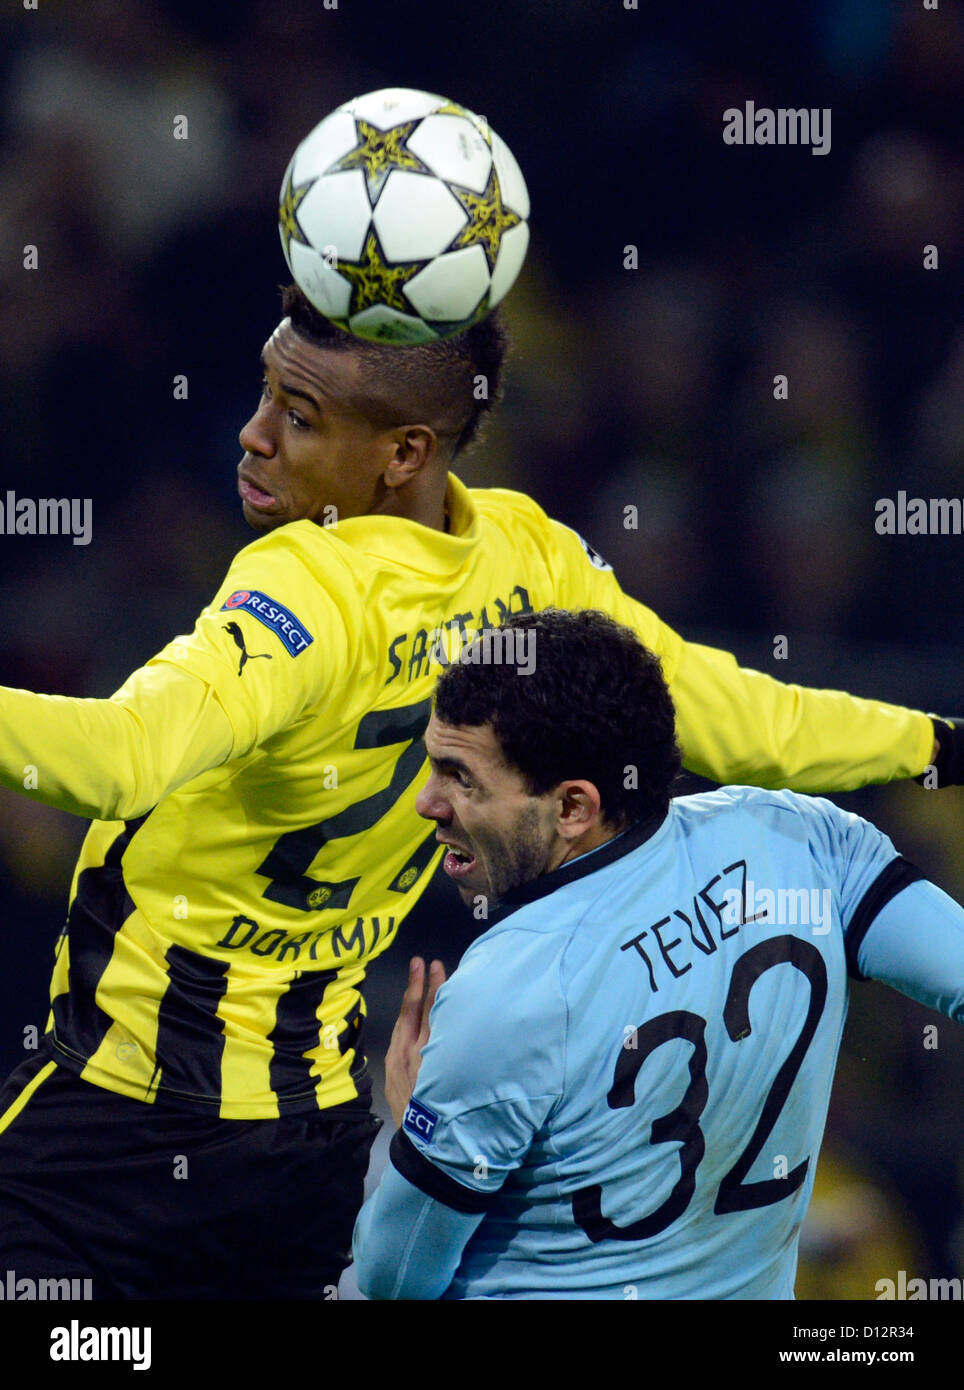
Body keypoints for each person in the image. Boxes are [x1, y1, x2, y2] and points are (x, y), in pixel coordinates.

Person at [0, 286, 959, 1298]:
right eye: (266, 396)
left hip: (118, 1128)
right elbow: (730, 713)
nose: (252, 437)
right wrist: (936, 743)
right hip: (315, 1140)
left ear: (405, 451)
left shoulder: (306, 586)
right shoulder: (526, 560)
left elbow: (121, 756)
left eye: (297, 414)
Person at [352, 609, 964, 1300]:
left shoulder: (508, 991)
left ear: (573, 808)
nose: (427, 804)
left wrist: (420, 1142)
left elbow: (392, 1282)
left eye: (461, 778)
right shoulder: (802, 839)